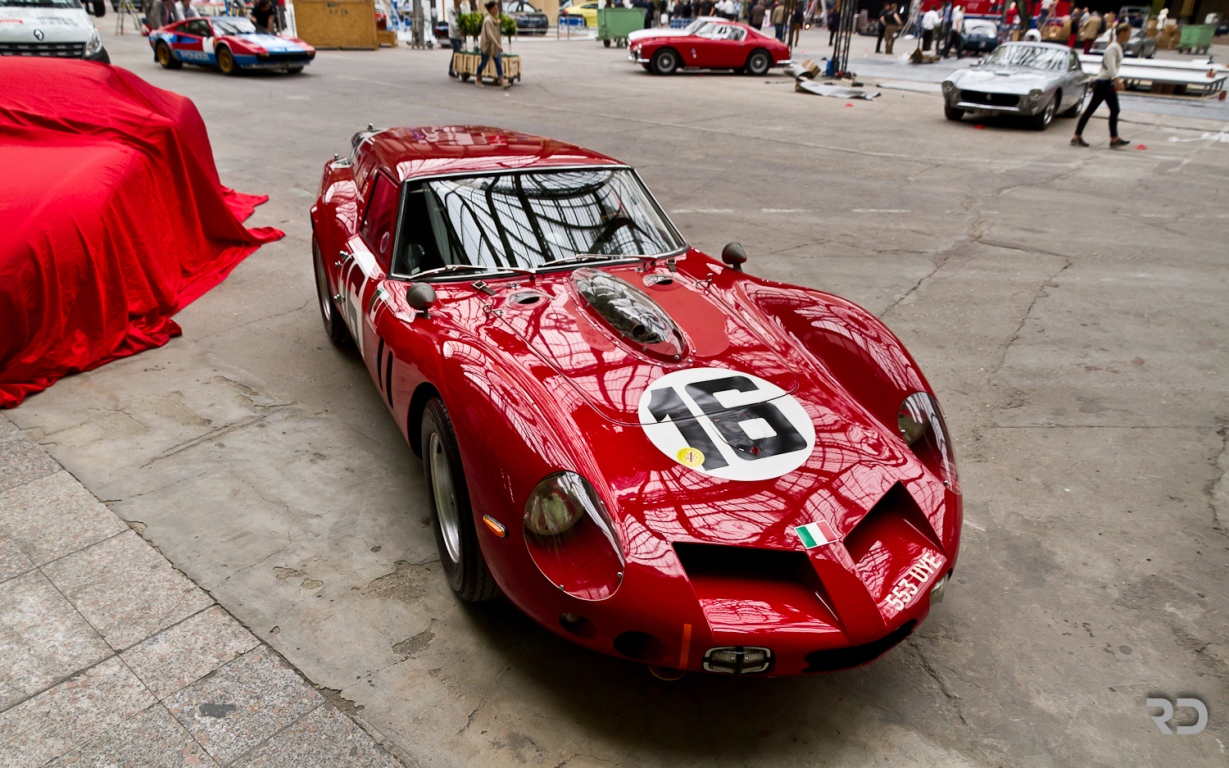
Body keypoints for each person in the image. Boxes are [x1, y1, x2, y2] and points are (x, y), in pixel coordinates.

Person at [1072, 22, 1130, 148]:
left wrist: (1116, 80)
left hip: (1108, 83)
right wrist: (1118, 80)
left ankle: (1114, 139)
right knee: (1090, 110)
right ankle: (1076, 136)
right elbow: (1111, 66)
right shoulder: (1112, 48)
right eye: (1128, 32)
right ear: (1122, 33)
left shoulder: (1118, 47)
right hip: (1103, 83)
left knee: (1115, 110)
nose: (1129, 35)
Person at [476, 0, 509, 89]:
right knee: (484, 63)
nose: (497, 9)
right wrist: (498, 44)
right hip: (487, 46)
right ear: (490, 9)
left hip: (494, 47)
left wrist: (497, 23)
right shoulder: (487, 20)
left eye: (497, 7)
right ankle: (478, 78)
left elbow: (496, 30)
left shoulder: (493, 20)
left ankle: (502, 83)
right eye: (495, 8)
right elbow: (490, 35)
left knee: (498, 63)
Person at [446, 0, 462, 78]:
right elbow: (453, 23)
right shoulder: (450, 10)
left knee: (456, 52)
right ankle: (453, 69)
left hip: (461, 35)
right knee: (457, 51)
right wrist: (460, 29)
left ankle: (454, 69)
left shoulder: (462, 9)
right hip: (453, 35)